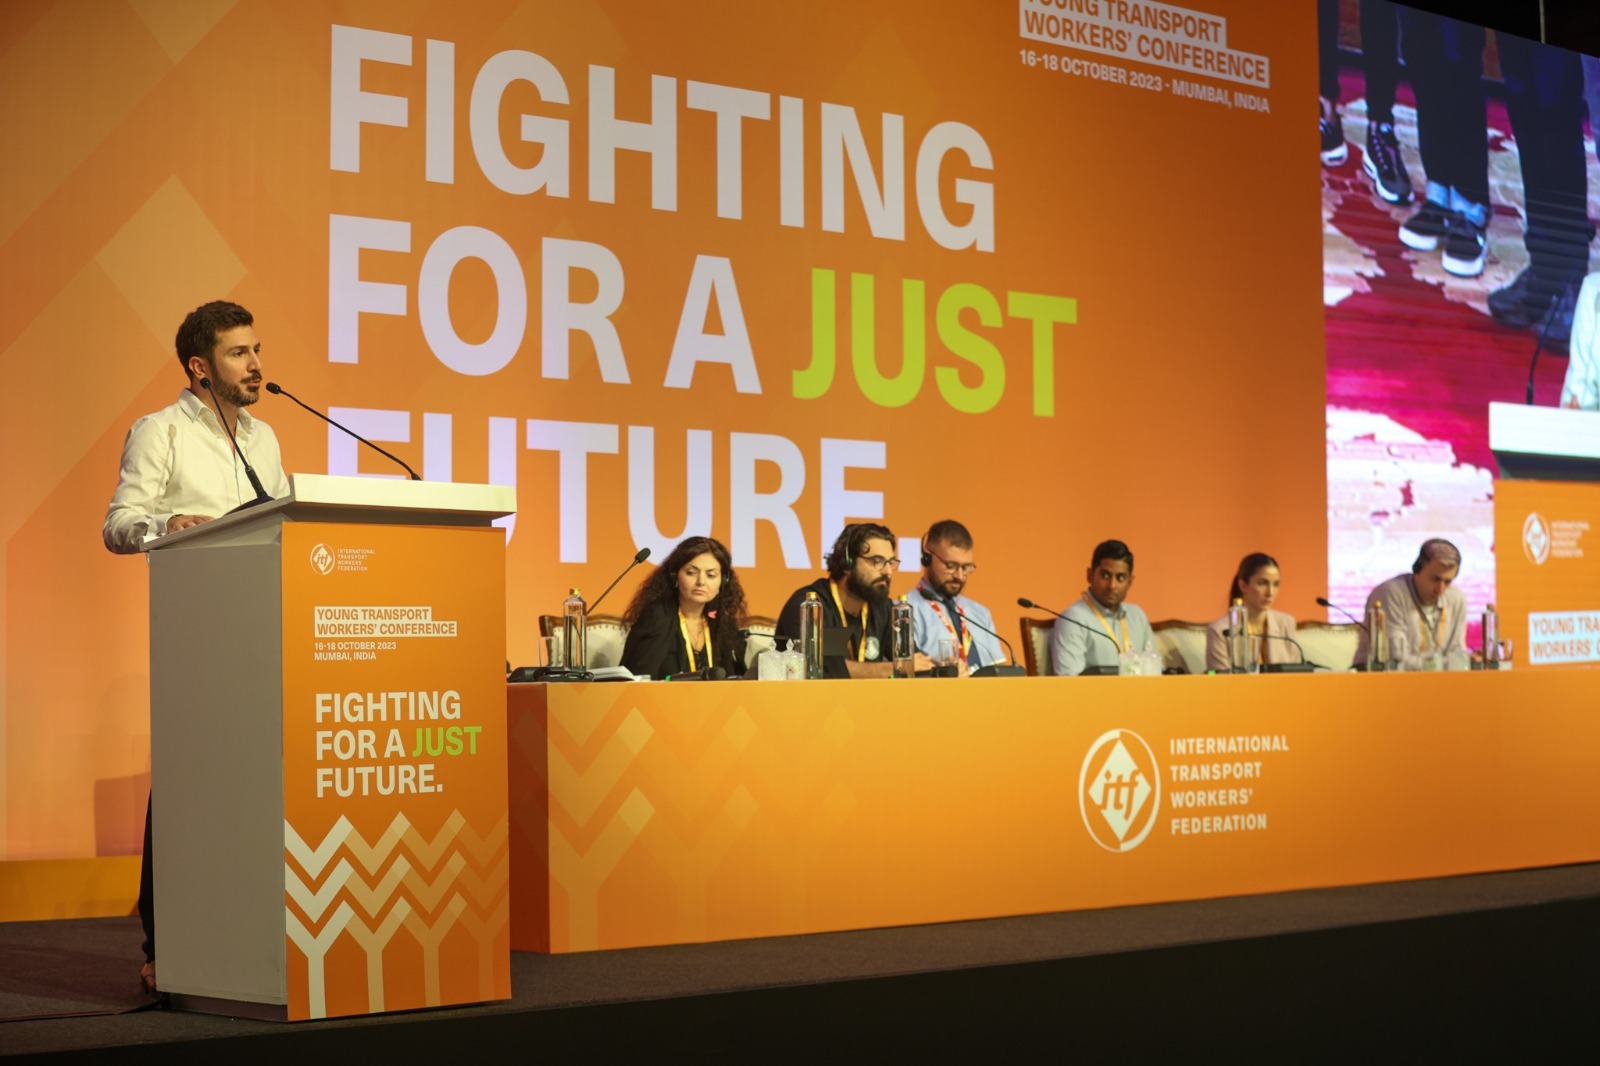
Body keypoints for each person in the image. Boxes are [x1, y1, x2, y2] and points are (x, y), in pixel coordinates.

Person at [102, 300, 291, 994]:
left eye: (257, 349)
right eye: (240, 353)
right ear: (200, 367)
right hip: (199, 634)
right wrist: (168, 525)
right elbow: (118, 523)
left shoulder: (265, 439)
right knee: (188, 788)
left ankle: (249, 932)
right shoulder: (161, 431)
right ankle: (166, 941)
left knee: (257, 783)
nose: (256, 364)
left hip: (265, 628)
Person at [776, 523, 930, 678]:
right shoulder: (808, 606)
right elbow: (817, 669)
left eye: (890, 562)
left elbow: (914, 664)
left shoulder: (882, 608)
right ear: (847, 563)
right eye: (876, 561)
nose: (887, 571)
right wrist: (895, 668)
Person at [619, 536, 748, 679]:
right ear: (675, 576)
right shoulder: (657, 617)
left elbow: (735, 680)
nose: (701, 582)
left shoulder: (722, 623)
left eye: (711, 575)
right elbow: (637, 678)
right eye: (691, 573)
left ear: (722, 582)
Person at [907, 520, 1008, 673]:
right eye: (951, 566)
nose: (959, 576)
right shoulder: (906, 611)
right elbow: (906, 673)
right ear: (927, 557)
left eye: (966, 567)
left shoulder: (980, 613)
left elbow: (999, 673)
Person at [1353, 538, 1470, 668]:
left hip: (1437, 678)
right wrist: (1444, 665)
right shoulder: (1389, 593)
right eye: (1435, 579)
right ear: (1417, 569)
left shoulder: (1457, 599)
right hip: (1378, 677)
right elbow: (1396, 659)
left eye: (1448, 582)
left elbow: (1458, 653)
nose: (1441, 588)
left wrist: (1467, 660)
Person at [1050, 540, 1153, 677]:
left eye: (1120, 577)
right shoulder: (1073, 619)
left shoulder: (1138, 616)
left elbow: (1155, 670)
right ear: (1090, 575)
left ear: (1130, 581)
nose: (1112, 585)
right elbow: (1070, 681)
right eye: (1105, 575)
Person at [1205, 553, 1300, 672]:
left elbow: (1298, 672)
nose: (1270, 592)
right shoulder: (1219, 630)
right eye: (1262, 583)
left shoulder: (1286, 623)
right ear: (1243, 585)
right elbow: (1219, 678)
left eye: (1276, 584)